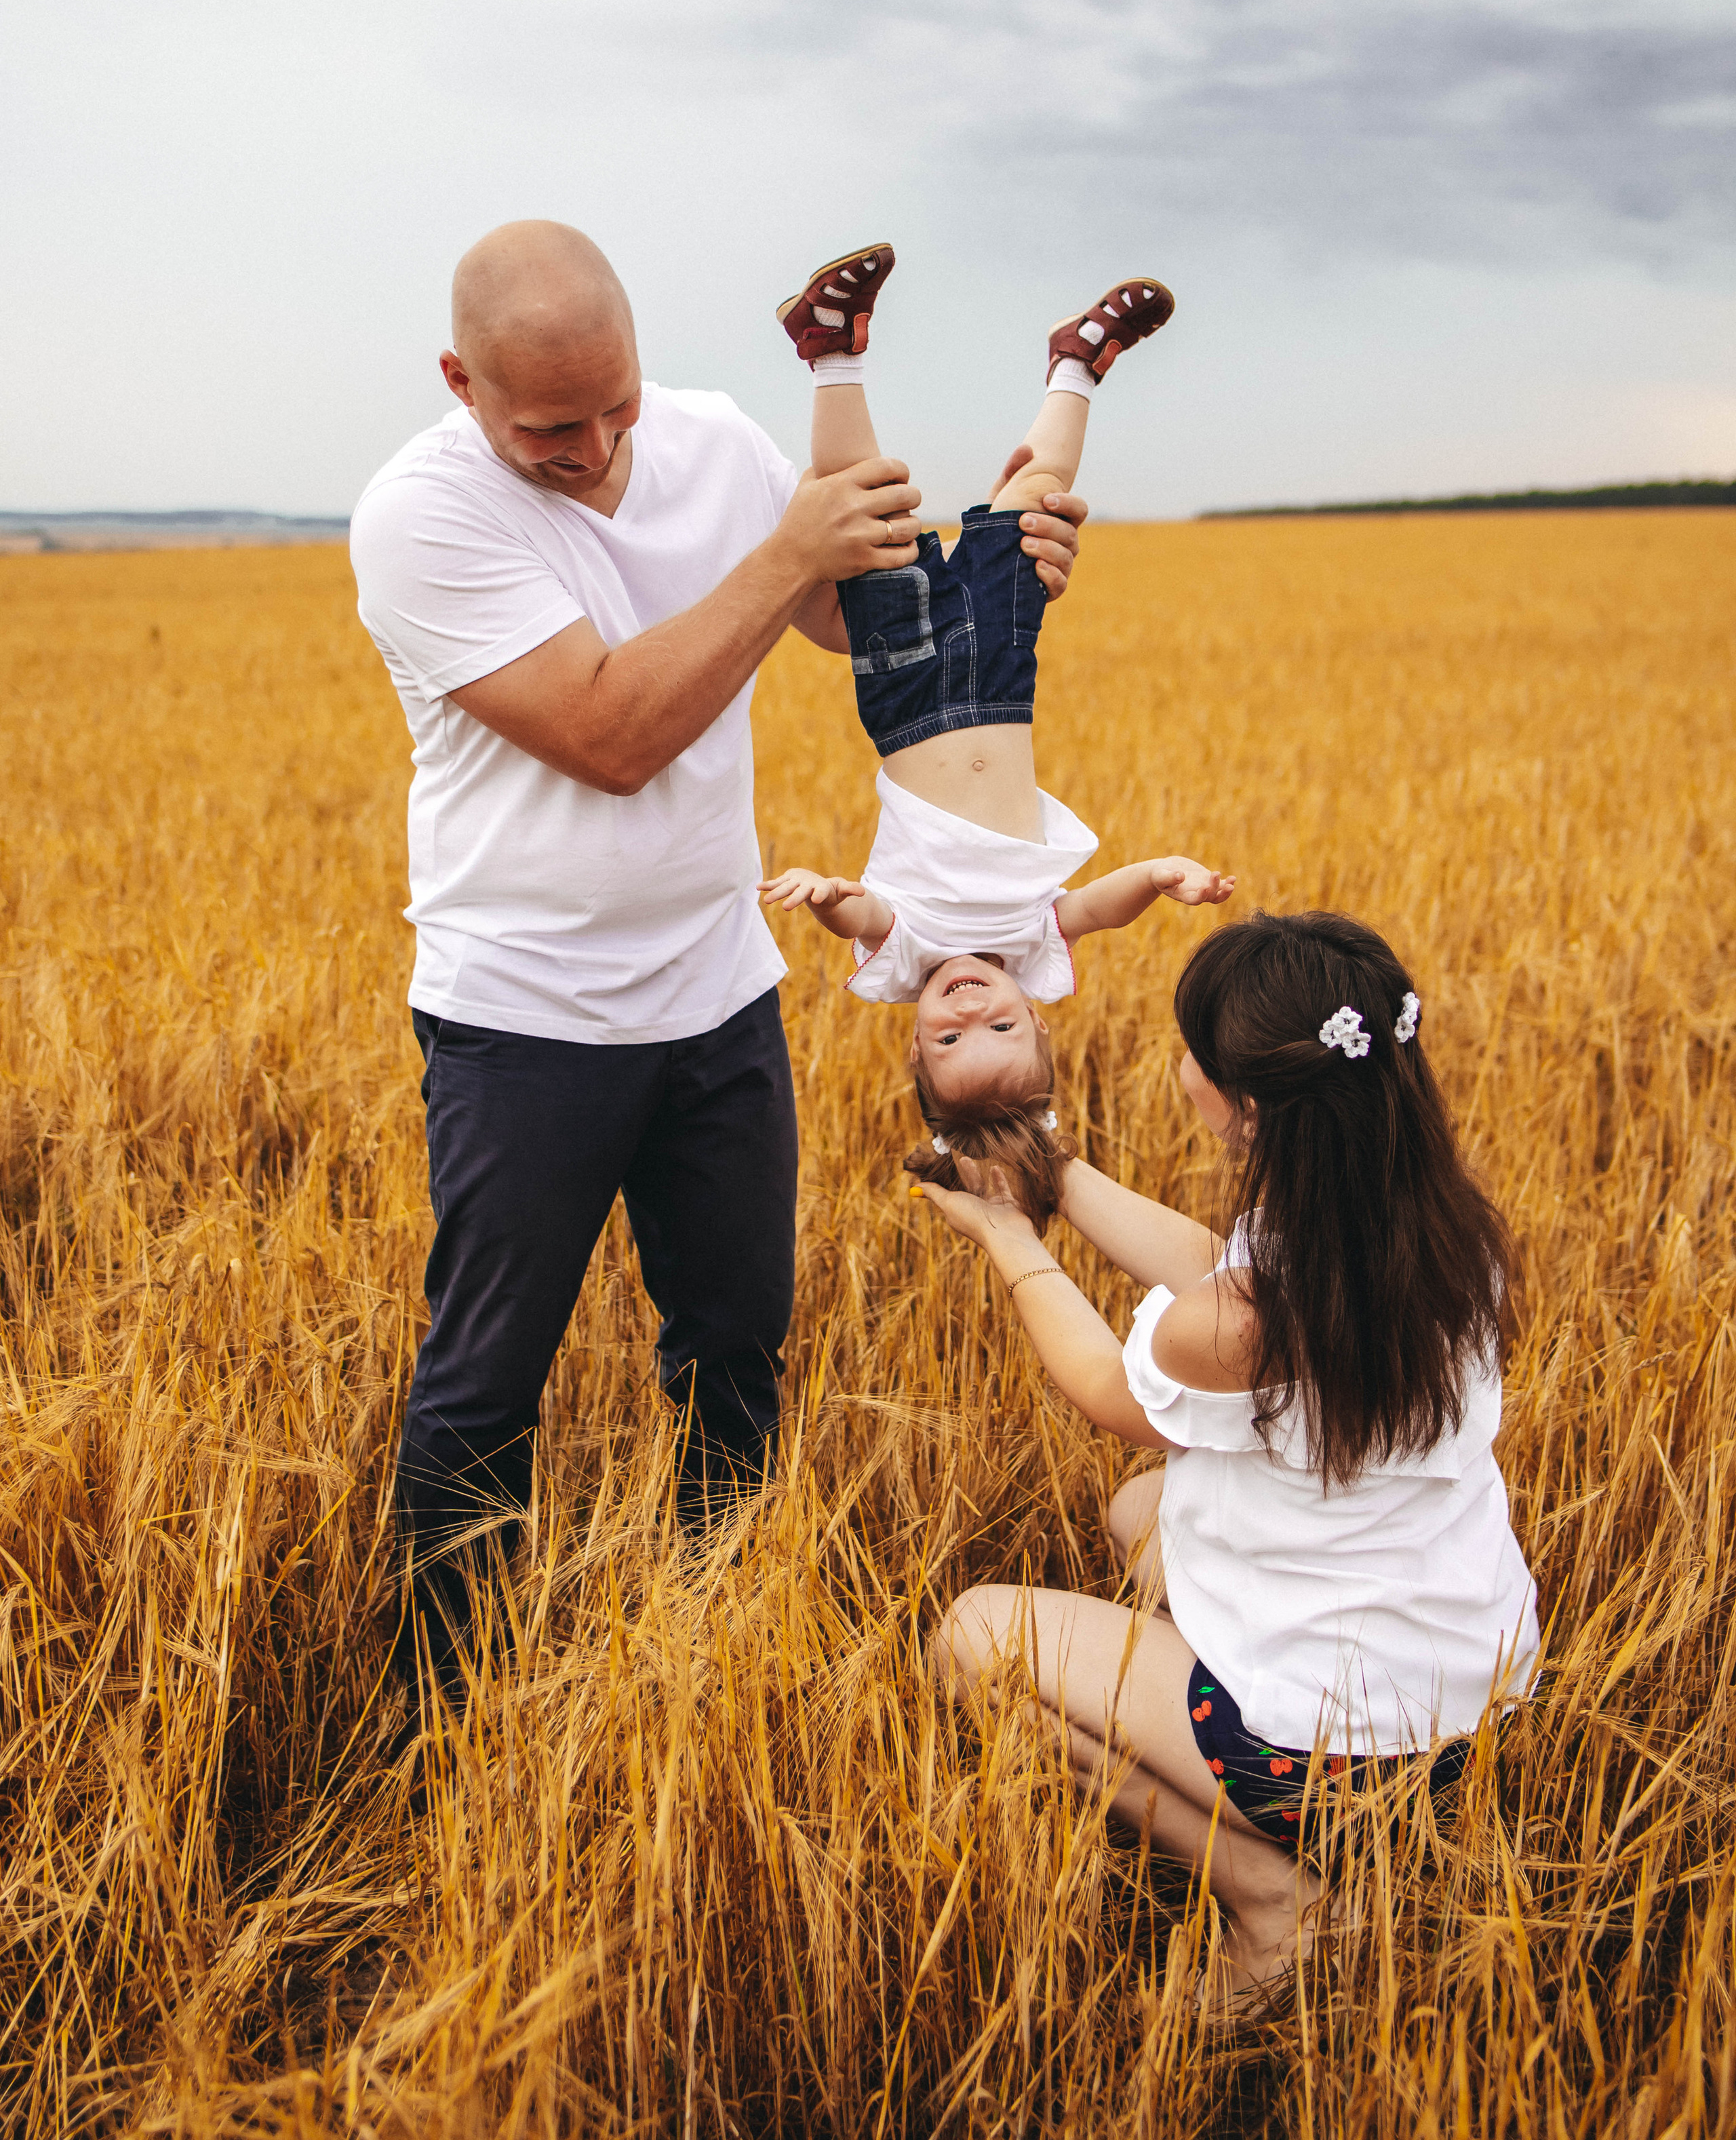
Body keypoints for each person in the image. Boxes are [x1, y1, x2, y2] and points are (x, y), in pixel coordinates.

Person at [349, 220, 1088, 1691]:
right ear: (462, 383)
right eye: (549, 427)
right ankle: (440, 1718)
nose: (597, 448)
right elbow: (614, 734)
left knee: (737, 1351)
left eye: (615, 406)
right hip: (523, 1021)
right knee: (488, 1383)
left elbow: (838, 613)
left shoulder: (712, 438)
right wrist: (783, 552)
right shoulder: (418, 517)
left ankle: (713, 1657)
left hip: (717, 996)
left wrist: (1004, 564)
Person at [919, 910, 1539, 1990]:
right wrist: (1054, 1173)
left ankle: (1275, 1901)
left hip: (1339, 1755)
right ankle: (1301, 1799)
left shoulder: (1240, 1323)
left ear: (1244, 1108)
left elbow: (1115, 1388)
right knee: (1139, 1512)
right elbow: (1221, 1264)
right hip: (1471, 1702)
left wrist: (1013, 1241)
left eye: (1195, 1055)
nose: (1181, 1067)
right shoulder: (1431, 1225)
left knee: (974, 1641)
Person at [759, 245, 1231, 1226]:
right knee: (1032, 509)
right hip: (1001, 689)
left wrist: (825, 896)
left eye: (946, 1038)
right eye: (1001, 1024)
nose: (968, 1007)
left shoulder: (910, 953)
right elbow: (1101, 907)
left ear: (914, 1037)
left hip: (907, 700)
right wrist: (1165, 876)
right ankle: (1078, 365)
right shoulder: (1030, 942)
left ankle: (830, 353)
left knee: (872, 513)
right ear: (1033, 1012)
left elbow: (862, 918)